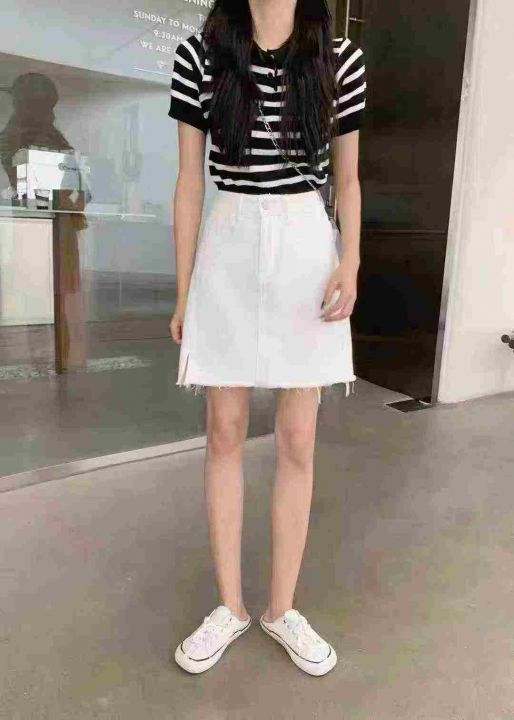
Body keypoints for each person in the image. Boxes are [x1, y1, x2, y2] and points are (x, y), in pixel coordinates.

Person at [168, 0, 366, 676]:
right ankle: (230, 606)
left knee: (298, 439)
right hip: (227, 242)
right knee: (223, 431)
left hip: (306, 247)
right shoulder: (199, 56)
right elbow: (189, 181)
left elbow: (348, 178)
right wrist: (184, 290)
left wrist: (351, 260)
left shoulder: (339, 60)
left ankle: (283, 608)